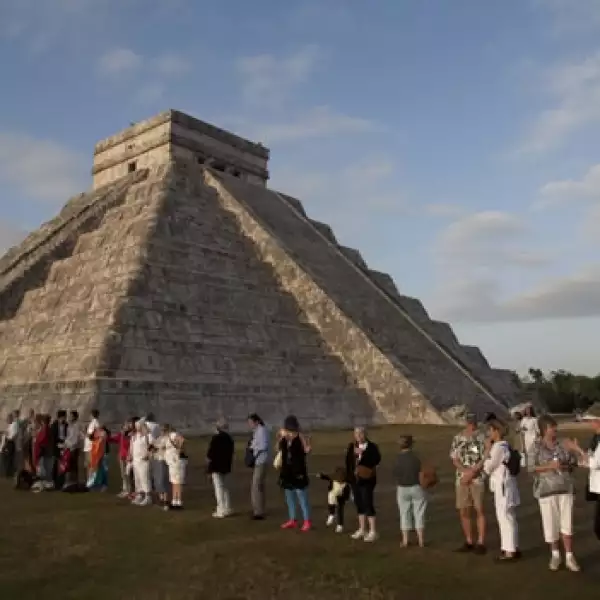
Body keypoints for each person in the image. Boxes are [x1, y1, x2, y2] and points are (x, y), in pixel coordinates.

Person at [533, 415, 579, 572]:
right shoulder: (536, 446)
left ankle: (569, 556)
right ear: (545, 429)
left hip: (565, 489)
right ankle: (555, 555)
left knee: (567, 525)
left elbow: (573, 464)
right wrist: (549, 466)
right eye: (553, 427)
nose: (556, 430)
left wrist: (564, 464)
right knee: (551, 525)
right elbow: (531, 468)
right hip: (546, 491)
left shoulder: (563, 444)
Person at [483, 419, 520, 561]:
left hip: (503, 486)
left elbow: (488, 467)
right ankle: (513, 546)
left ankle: (509, 550)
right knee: (510, 517)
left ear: (496, 431)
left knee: (504, 518)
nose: (488, 433)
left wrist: (487, 450)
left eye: (490, 430)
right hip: (507, 484)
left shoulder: (498, 448)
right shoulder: (506, 446)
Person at [450, 413, 487, 554]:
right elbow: (454, 458)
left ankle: (481, 542)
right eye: (469, 422)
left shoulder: (481, 437)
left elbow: (484, 457)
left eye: (473, 422)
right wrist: (465, 472)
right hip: (462, 478)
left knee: (479, 509)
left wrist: (472, 473)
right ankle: (469, 540)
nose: (471, 424)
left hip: (477, 478)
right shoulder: (458, 438)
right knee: (464, 510)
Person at [563, 413, 600, 541]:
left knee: (599, 527)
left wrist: (577, 449)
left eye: (592, 421)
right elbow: (588, 460)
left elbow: (594, 463)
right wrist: (577, 455)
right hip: (597, 485)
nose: (590, 424)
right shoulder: (596, 439)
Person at [346, 426, 381, 542]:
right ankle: (362, 529)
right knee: (359, 503)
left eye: (361, 434)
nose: (358, 436)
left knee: (368, 503)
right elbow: (348, 462)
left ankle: (373, 531)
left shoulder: (372, 447)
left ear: (365, 435)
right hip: (355, 480)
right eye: (356, 434)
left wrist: (363, 454)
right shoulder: (351, 446)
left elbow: (376, 460)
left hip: (367, 480)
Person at [278, 415, 312, 532]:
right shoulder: (284, 440)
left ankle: (307, 520)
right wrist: (281, 438)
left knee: (302, 497)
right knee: (289, 497)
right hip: (287, 472)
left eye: (291, 430)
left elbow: (307, 449)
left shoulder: (299, 439)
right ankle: (292, 519)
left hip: (298, 472)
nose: (290, 432)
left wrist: (303, 440)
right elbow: (278, 449)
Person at [394, 435, 428, 548]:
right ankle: (421, 541)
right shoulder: (416, 458)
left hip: (402, 488)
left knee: (404, 513)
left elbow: (395, 474)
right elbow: (421, 472)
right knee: (419, 513)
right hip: (416, 486)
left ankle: (405, 540)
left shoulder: (397, 459)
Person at [207, 418, 235, 518]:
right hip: (226, 465)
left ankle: (221, 509)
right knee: (225, 488)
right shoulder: (229, 439)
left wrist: (209, 468)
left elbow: (210, 454)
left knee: (218, 488)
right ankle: (227, 508)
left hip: (216, 466)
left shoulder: (216, 438)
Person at [248, 413, 269, 520]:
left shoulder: (261, 430)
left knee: (256, 486)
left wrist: (254, 452)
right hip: (259, 461)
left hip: (261, 460)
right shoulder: (257, 431)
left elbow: (263, 445)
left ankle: (258, 511)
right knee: (259, 486)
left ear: (256, 422)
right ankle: (259, 509)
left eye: (251, 422)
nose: (250, 425)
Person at [317, 467, 351, 533]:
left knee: (340, 510)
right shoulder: (333, 479)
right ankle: (331, 515)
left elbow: (347, 495)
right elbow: (326, 477)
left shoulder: (346, 486)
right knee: (331, 504)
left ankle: (340, 525)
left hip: (341, 498)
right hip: (332, 495)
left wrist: (345, 498)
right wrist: (321, 475)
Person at [110, 419, 134, 499]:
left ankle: (129, 491)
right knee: (123, 475)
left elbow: (129, 446)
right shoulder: (121, 435)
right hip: (121, 457)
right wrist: (106, 435)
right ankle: (125, 490)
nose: (125, 427)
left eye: (127, 426)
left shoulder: (130, 436)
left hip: (128, 457)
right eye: (124, 426)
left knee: (128, 475)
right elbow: (112, 439)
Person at [130, 420, 151, 506]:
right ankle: (139, 495)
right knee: (137, 479)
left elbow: (152, 447)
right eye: (136, 426)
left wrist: (148, 455)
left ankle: (148, 497)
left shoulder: (147, 436)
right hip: (136, 461)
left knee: (144, 478)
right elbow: (132, 448)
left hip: (143, 461)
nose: (137, 427)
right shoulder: (134, 436)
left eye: (138, 426)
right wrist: (130, 456)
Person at [164, 424, 186, 510]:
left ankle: (178, 501)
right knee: (174, 482)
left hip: (175, 462)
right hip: (172, 462)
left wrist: (179, 449)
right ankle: (174, 501)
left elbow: (182, 440)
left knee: (177, 482)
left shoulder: (173, 435)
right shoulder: (168, 437)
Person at [62, 410, 81, 490]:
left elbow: (75, 439)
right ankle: (70, 481)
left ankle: (74, 482)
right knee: (69, 465)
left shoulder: (76, 426)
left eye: (71, 416)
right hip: (69, 448)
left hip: (74, 448)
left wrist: (69, 445)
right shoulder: (70, 425)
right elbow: (68, 436)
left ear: (74, 417)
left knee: (73, 465)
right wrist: (65, 444)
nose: (69, 417)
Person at [86, 422, 108, 491]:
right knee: (95, 469)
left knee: (103, 469)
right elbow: (91, 438)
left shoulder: (103, 433)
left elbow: (101, 441)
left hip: (102, 454)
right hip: (95, 454)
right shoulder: (96, 433)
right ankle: (94, 484)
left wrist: (99, 436)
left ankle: (103, 485)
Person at [50, 410, 68, 489]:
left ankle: (61, 482)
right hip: (56, 446)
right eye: (63, 417)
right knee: (55, 465)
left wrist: (65, 443)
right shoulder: (54, 425)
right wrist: (57, 444)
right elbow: (52, 437)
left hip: (64, 445)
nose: (64, 419)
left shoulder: (66, 425)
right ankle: (54, 481)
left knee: (63, 465)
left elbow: (67, 435)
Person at [520, 405, 540, 472]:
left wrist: (536, 439)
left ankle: (535, 469)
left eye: (529, 410)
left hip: (533, 439)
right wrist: (523, 429)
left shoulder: (534, 419)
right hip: (526, 439)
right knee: (528, 454)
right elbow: (521, 431)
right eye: (526, 410)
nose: (527, 411)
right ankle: (531, 470)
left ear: (531, 411)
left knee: (533, 454)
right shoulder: (524, 419)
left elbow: (537, 430)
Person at [84, 409, 100, 477]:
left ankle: (91, 482)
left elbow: (92, 435)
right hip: (89, 447)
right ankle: (90, 481)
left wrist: (85, 433)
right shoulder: (93, 423)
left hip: (91, 447)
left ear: (92, 415)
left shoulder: (94, 423)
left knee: (91, 465)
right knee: (89, 465)